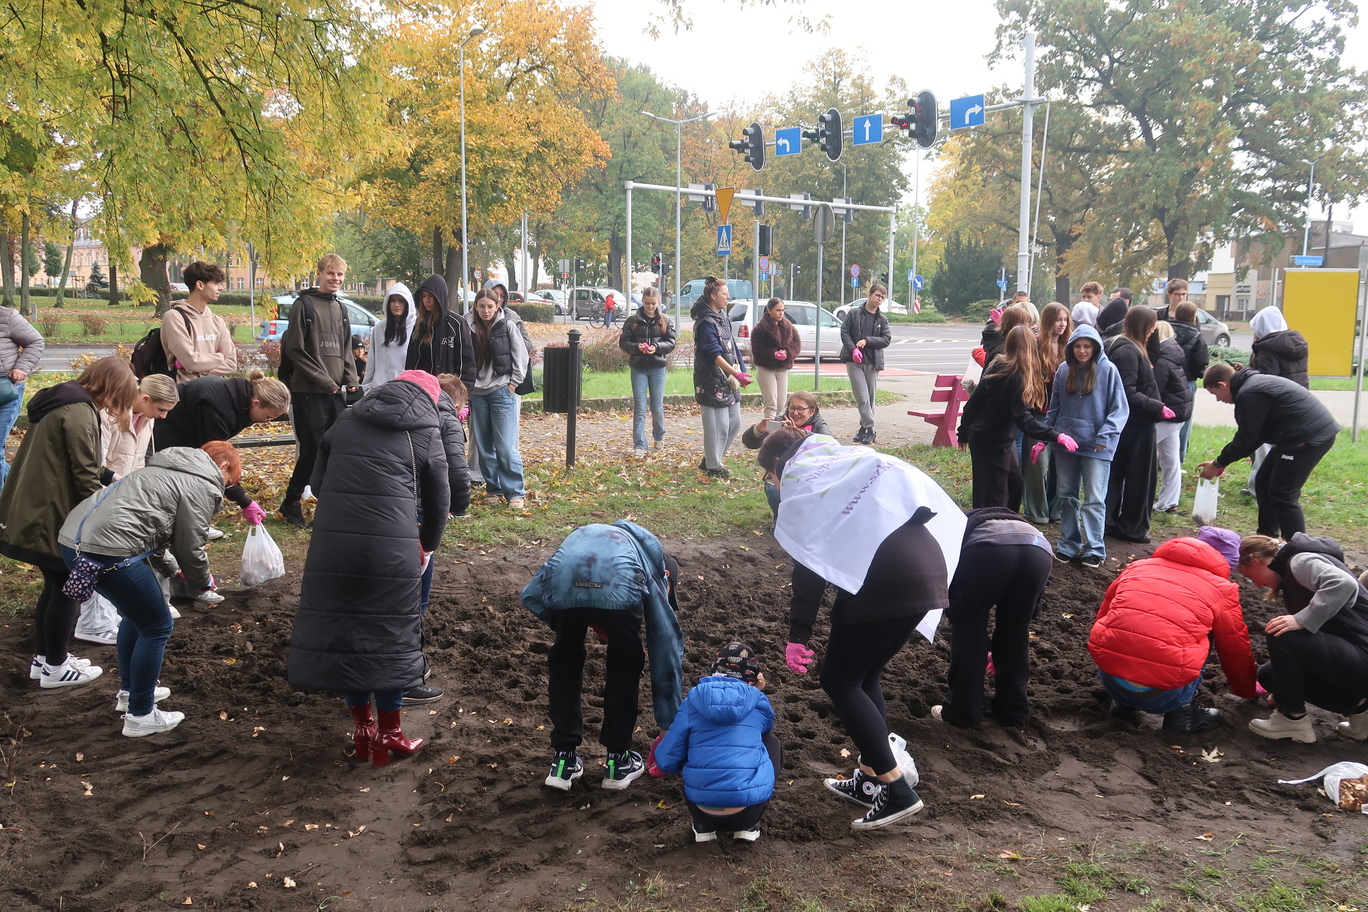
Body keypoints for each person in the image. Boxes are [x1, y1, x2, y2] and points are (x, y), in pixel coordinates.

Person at [760, 427, 966, 829]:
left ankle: (895, 787)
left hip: (885, 579)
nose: (773, 484)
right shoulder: (846, 462)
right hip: (927, 566)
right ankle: (873, 776)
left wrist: (798, 634)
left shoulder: (805, 484)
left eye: (769, 477)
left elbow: (808, 571)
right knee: (864, 674)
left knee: (838, 680)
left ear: (777, 466)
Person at [287, 371, 451, 767]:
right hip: (391, 548)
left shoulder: (345, 419)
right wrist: (426, 545)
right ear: (428, 398)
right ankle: (391, 734)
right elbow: (440, 496)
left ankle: (362, 728)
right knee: (391, 632)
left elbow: (319, 482)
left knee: (344, 630)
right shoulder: (425, 430)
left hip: (333, 544)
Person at [58, 442, 239, 736]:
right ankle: (140, 715)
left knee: (135, 616)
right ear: (223, 467)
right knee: (157, 625)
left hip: (72, 540)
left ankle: (131, 694)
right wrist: (202, 583)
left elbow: (153, 532)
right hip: (109, 549)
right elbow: (189, 546)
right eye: (231, 480)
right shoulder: (201, 485)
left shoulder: (161, 470)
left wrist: (171, 569)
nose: (227, 487)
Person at [0, 357, 138, 688]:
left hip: (34, 509)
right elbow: (84, 474)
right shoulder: (80, 411)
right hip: (49, 515)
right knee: (66, 587)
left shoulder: (62, 400)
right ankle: (56, 667)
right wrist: (104, 518)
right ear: (113, 387)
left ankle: (45, 660)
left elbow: (66, 456)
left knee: (54, 586)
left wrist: (110, 475)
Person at [521, 521, 684, 792]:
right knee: (625, 661)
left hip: (563, 582)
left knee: (565, 660)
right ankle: (618, 762)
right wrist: (669, 723)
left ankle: (563, 763)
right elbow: (665, 644)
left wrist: (573, 624)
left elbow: (531, 595)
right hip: (617, 583)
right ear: (665, 575)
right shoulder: (647, 564)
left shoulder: (587, 536)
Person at [1088, 537, 1257, 732]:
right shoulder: (1222, 589)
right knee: (1205, 632)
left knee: (1125, 624)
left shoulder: (1137, 567)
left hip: (1111, 680)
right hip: (1164, 696)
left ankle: (1123, 704)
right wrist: (1246, 690)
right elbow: (1235, 648)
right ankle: (1182, 713)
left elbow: (1104, 616)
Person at [1237, 534, 1368, 743]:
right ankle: (1362, 713)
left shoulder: (1300, 561)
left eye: (1251, 577)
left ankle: (1291, 720)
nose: (1258, 585)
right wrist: (1286, 691)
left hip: (1362, 656)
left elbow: (1343, 584)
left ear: (1255, 560)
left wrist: (1303, 619)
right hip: (1356, 656)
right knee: (1270, 675)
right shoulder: (1297, 565)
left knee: (1282, 631)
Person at [933, 508, 1053, 730]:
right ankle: (1013, 714)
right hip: (1038, 548)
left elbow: (948, 581)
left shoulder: (955, 526)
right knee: (1015, 632)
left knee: (969, 628)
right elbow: (1032, 609)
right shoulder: (1008, 518)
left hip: (986, 550)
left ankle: (961, 713)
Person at [655, 641, 780, 843]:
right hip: (747, 812)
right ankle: (748, 827)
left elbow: (666, 761)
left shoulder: (692, 702)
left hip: (702, 811)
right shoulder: (758, 701)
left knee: (687, 742)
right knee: (769, 741)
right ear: (752, 677)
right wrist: (757, 691)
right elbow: (766, 727)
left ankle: (703, 827)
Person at [1197, 362, 1339, 539]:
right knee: (1263, 482)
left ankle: (1299, 549)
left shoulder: (1250, 393)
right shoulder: (1250, 385)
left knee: (1283, 494)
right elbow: (1256, 436)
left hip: (1308, 438)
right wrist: (1223, 462)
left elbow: (1246, 437)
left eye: (1215, 393)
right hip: (1294, 436)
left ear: (1222, 385)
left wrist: (1218, 462)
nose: (1218, 399)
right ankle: (1266, 539)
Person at [400, 372, 475, 707]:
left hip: (371, 511)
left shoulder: (377, 408)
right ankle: (407, 673)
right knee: (414, 596)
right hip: (416, 512)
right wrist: (458, 505)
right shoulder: (443, 414)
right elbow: (455, 471)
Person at [277, 253, 359, 528]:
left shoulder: (342, 309)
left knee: (335, 449)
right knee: (311, 451)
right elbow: (295, 350)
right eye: (330, 274)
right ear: (320, 274)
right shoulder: (304, 305)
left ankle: (331, 504)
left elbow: (346, 349)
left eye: (339, 275)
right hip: (308, 392)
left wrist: (351, 378)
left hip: (336, 393)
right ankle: (291, 503)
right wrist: (325, 381)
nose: (335, 279)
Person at [1041, 325, 1129, 568]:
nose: (1082, 351)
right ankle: (1069, 544)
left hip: (1097, 447)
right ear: (1071, 348)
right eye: (1078, 346)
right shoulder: (1063, 370)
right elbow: (1054, 408)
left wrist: (1105, 437)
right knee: (1067, 496)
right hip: (1066, 444)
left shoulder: (1108, 370)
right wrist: (1046, 437)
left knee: (1094, 499)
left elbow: (1120, 409)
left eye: (1087, 346)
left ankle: (1095, 548)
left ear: (1095, 347)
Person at [959, 325, 1071, 511]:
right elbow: (1022, 418)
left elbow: (973, 404)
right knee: (993, 496)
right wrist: (1055, 435)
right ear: (1029, 346)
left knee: (1014, 484)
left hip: (995, 438)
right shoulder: (1014, 374)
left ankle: (1006, 524)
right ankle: (990, 529)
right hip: (991, 440)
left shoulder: (1002, 365)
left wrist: (963, 432)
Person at [1104, 306, 1173, 544]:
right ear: (1143, 326)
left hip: (1127, 423)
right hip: (1136, 423)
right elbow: (1126, 391)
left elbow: (1153, 356)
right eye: (1151, 325)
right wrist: (1157, 407)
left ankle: (1109, 522)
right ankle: (1131, 527)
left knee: (1116, 474)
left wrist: (1150, 337)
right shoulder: (1128, 351)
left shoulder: (1122, 345)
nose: (1154, 329)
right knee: (1139, 478)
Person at [466, 289, 528, 509]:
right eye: (481, 306)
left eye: (490, 306)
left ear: (498, 306)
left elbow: (522, 356)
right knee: (484, 445)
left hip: (501, 390)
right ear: (475, 307)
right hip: (477, 393)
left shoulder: (507, 326)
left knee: (504, 445)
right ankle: (494, 489)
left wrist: (513, 383)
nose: (485, 311)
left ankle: (515, 493)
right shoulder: (468, 327)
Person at [692, 276, 750, 477]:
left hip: (728, 380)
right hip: (710, 381)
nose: (728, 297)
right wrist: (736, 373)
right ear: (713, 295)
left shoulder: (722, 317)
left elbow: (732, 345)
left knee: (735, 423)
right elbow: (713, 354)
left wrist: (741, 370)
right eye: (725, 294)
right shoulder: (705, 322)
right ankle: (714, 467)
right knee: (719, 428)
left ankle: (710, 460)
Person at [1021, 302, 1072, 523]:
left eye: (1065, 320)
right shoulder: (1036, 344)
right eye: (1058, 319)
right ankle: (1036, 510)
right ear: (1048, 320)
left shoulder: (1069, 346)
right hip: (1039, 412)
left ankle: (1056, 509)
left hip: (1063, 415)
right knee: (1037, 465)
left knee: (1060, 467)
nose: (1062, 324)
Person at [742, 390, 832, 515]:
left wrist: (796, 432)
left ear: (812, 411)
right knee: (774, 489)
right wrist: (757, 430)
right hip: (781, 476)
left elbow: (829, 445)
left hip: (811, 477)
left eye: (800, 409)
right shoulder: (779, 422)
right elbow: (749, 443)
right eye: (792, 408)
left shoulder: (819, 425)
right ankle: (779, 517)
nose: (795, 413)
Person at [617, 286, 676, 455]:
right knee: (640, 407)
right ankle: (640, 444)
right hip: (639, 367)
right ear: (642, 302)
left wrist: (656, 347)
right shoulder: (633, 321)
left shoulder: (664, 320)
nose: (650, 307)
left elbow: (671, 342)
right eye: (647, 303)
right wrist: (637, 347)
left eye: (653, 304)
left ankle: (659, 436)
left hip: (657, 368)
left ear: (658, 303)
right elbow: (623, 343)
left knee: (657, 407)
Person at [161, 261, 237, 382]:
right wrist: (220, 357)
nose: (221, 288)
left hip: (215, 390)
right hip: (186, 392)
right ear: (200, 285)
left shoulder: (217, 321)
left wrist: (200, 371)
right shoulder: (174, 317)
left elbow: (232, 364)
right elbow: (191, 361)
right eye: (216, 283)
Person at [840, 284, 893, 445]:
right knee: (861, 396)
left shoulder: (882, 319)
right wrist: (852, 348)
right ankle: (870, 428)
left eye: (882, 297)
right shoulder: (854, 313)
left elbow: (886, 339)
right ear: (869, 295)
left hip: (872, 361)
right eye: (877, 295)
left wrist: (867, 340)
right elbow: (844, 331)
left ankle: (864, 429)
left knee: (870, 398)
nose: (879, 299)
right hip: (854, 361)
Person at [101, 374, 180, 481]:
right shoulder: (110, 414)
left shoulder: (148, 418)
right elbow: (99, 462)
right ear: (145, 399)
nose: (164, 416)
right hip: (104, 491)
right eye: (161, 409)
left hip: (126, 490)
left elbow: (139, 460)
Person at [0, 302, 44, 491]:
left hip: (6, 391)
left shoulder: (7, 317)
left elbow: (36, 341)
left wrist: (21, 367)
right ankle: (19, 493)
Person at [1151, 321, 1193, 514]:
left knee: (1143, 453)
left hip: (1166, 413)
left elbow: (1156, 389)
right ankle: (1169, 501)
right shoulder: (1174, 353)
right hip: (1179, 412)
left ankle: (1136, 498)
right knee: (1170, 458)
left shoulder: (1160, 359)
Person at [405, 273, 476, 387]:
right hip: (423, 392)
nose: (426, 300)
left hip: (450, 393)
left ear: (439, 296)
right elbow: (411, 362)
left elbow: (467, 363)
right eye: (424, 296)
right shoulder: (419, 325)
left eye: (431, 296)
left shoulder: (457, 324)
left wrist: (464, 393)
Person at [1169, 299, 1209, 463]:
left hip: (1165, 380)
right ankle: (1178, 458)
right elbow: (1201, 361)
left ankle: (1158, 456)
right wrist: (1197, 374)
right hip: (1187, 381)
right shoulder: (1197, 336)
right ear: (1194, 316)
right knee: (1184, 421)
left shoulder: (1166, 330)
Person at [749, 298, 802, 421]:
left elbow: (796, 343)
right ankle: (769, 432)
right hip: (766, 368)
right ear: (769, 310)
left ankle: (773, 425)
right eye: (778, 310)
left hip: (782, 368)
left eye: (783, 310)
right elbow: (757, 350)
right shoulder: (759, 329)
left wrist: (787, 352)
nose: (781, 313)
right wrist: (773, 354)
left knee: (781, 403)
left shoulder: (788, 326)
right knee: (771, 403)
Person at [367, 283, 416, 390]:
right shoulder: (379, 329)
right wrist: (368, 389)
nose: (396, 304)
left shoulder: (417, 328)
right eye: (393, 300)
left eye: (401, 300)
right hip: (380, 391)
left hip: (408, 391)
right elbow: (371, 361)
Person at [1249, 307, 1309, 387]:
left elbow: (1265, 384)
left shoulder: (1267, 349)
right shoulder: (1298, 344)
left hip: (1279, 398)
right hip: (1300, 396)